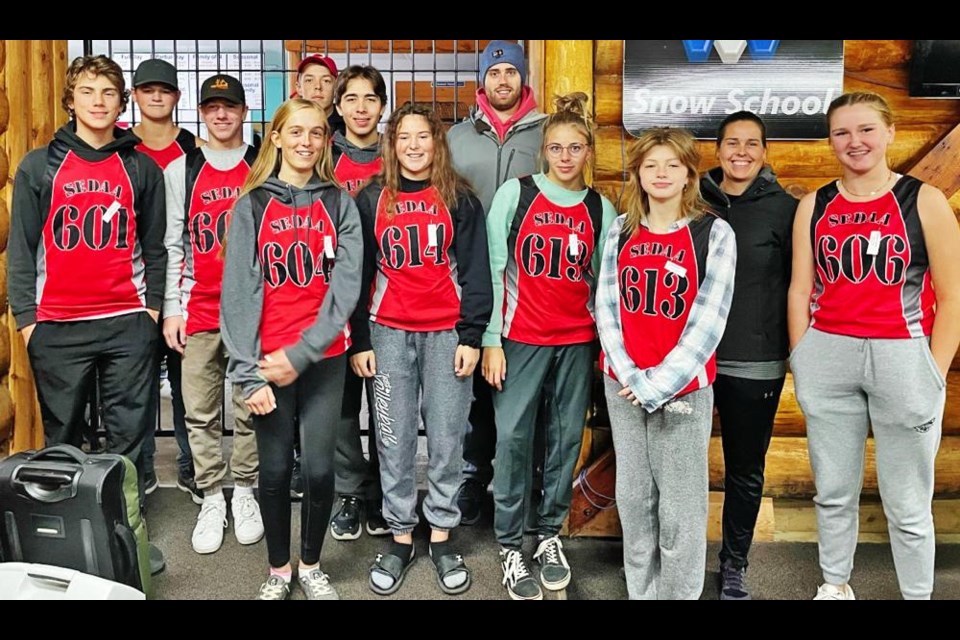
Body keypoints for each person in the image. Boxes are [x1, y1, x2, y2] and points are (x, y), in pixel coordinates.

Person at [787, 91, 960, 601]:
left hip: (903, 356)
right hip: (829, 353)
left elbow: (952, 296)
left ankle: (917, 594)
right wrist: (803, 354)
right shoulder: (814, 205)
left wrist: (933, 369)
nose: (854, 141)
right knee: (833, 490)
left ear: (889, 133)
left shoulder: (923, 200)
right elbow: (801, 288)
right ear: (831, 141)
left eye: (865, 130)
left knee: (908, 500)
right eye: (842, 132)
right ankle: (835, 585)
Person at [8, 54, 167, 571]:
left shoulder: (139, 165)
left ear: (122, 102)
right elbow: (22, 249)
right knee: (65, 435)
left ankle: (123, 541)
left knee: (128, 436)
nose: (99, 102)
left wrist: (152, 311)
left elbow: (156, 247)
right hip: (58, 325)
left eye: (108, 92)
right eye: (88, 91)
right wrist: (28, 321)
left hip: (126, 320)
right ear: (70, 100)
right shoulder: (40, 164)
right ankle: (68, 545)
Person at [221, 98, 362, 600]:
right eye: (295, 132)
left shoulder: (340, 202)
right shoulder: (251, 205)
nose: (306, 142)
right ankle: (279, 570)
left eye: (317, 133)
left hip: (322, 360)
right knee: (276, 470)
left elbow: (345, 290)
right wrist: (248, 374)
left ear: (326, 141)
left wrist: (301, 354)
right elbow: (238, 295)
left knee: (321, 470)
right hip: (266, 363)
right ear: (276, 137)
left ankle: (311, 564)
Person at [350, 103, 492, 596]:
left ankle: (442, 535)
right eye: (403, 137)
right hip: (387, 333)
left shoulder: (460, 200)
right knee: (393, 439)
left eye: (423, 137)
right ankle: (401, 534)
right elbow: (360, 274)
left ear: (437, 143)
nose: (413, 145)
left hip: (447, 335)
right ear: (392, 145)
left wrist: (472, 336)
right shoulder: (372, 200)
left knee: (448, 438)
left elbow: (476, 272)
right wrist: (360, 339)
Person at [482, 92, 617, 600]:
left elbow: (605, 285)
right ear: (543, 150)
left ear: (587, 152)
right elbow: (494, 270)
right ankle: (511, 544)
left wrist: (606, 349)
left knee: (563, 441)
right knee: (513, 440)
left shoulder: (600, 208)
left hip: (576, 342)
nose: (565, 156)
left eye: (575, 147)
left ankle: (547, 536)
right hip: (520, 339)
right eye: (556, 147)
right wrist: (491, 339)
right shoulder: (515, 196)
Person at [596, 127, 736, 600]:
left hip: (684, 390)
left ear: (688, 175)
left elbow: (709, 321)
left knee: (679, 509)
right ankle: (642, 591)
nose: (661, 173)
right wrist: (632, 375)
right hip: (624, 386)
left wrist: (658, 384)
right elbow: (607, 307)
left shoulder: (713, 233)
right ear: (636, 172)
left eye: (672, 165)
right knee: (635, 501)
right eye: (651, 164)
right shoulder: (620, 231)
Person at [448, 39, 547, 525]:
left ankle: (521, 481)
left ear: (522, 77)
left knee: (520, 384)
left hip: (528, 284)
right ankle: (472, 475)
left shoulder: (546, 135)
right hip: (468, 277)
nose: (502, 79)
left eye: (511, 71)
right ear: (481, 81)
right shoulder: (457, 139)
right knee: (472, 389)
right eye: (494, 72)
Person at [163, 74, 263, 556]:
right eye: (212, 107)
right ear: (201, 113)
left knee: (249, 407)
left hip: (253, 311)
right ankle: (210, 495)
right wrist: (171, 310)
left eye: (230, 107)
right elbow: (173, 244)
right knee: (199, 410)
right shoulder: (184, 169)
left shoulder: (265, 162)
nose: (221, 115)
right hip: (200, 306)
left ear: (245, 112)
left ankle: (244, 490)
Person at [699, 111, 797, 600]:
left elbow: (802, 286)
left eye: (752, 143)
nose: (741, 151)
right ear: (716, 150)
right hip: (689, 359)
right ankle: (680, 555)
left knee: (744, 468)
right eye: (731, 142)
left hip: (753, 359)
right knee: (682, 465)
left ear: (765, 151)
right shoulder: (691, 200)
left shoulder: (786, 209)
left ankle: (733, 563)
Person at [130, 57, 203, 503]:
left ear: (177, 96)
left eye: (165, 90)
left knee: (184, 382)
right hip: (134, 280)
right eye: (147, 89)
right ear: (135, 95)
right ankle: (137, 467)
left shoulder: (192, 149)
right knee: (135, 382)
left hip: (180, 281)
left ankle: (191, 463)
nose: (156, 96)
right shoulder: (120, 148)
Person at [327, 65, 390, 541]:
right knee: (343, 409)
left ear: (382, 106)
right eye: (352, 98)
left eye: (371, 98)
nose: (362, 107)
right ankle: (351, 491)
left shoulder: (397, 157)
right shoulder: (324, 157)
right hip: (332, 299)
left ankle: (388, 493)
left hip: (387, 301)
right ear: (340, 105)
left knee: (387, 406)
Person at [294, 54, 344, 136]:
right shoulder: (289, 122)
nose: (318, 86)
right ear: (299, 87)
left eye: (326, 81)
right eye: (309, 80)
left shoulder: (348, 125)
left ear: (336, 88)